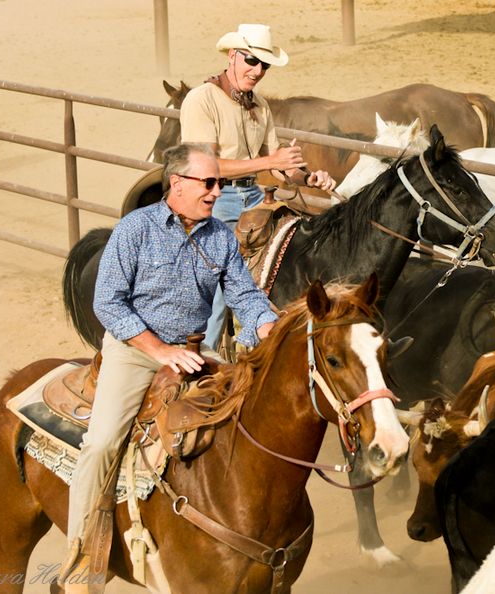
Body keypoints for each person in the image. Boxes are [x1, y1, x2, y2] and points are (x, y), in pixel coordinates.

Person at [60, 143, 278, 591]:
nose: (218, 192)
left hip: (195, 352)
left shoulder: (220, 235)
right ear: (177, 183)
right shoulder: (135, 229)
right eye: (210, 183)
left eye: (221, 183)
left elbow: (244, 294)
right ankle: (80, 562)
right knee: (100, 444)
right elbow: (108, 303)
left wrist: (268, 323)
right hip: (134, 349)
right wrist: (159, 350)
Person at [180, 23, 336, 350]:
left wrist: (308, 178)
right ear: (233, 56)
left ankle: (258, 348)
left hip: (253, 198)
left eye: (264, 65)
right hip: (211, 199)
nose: (258, 71)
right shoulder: (201, 100)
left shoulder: (259, 105)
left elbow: (279, 167)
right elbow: (206, 166)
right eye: (252, 61)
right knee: (223, 281)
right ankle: (202, 359)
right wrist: (269, 163)